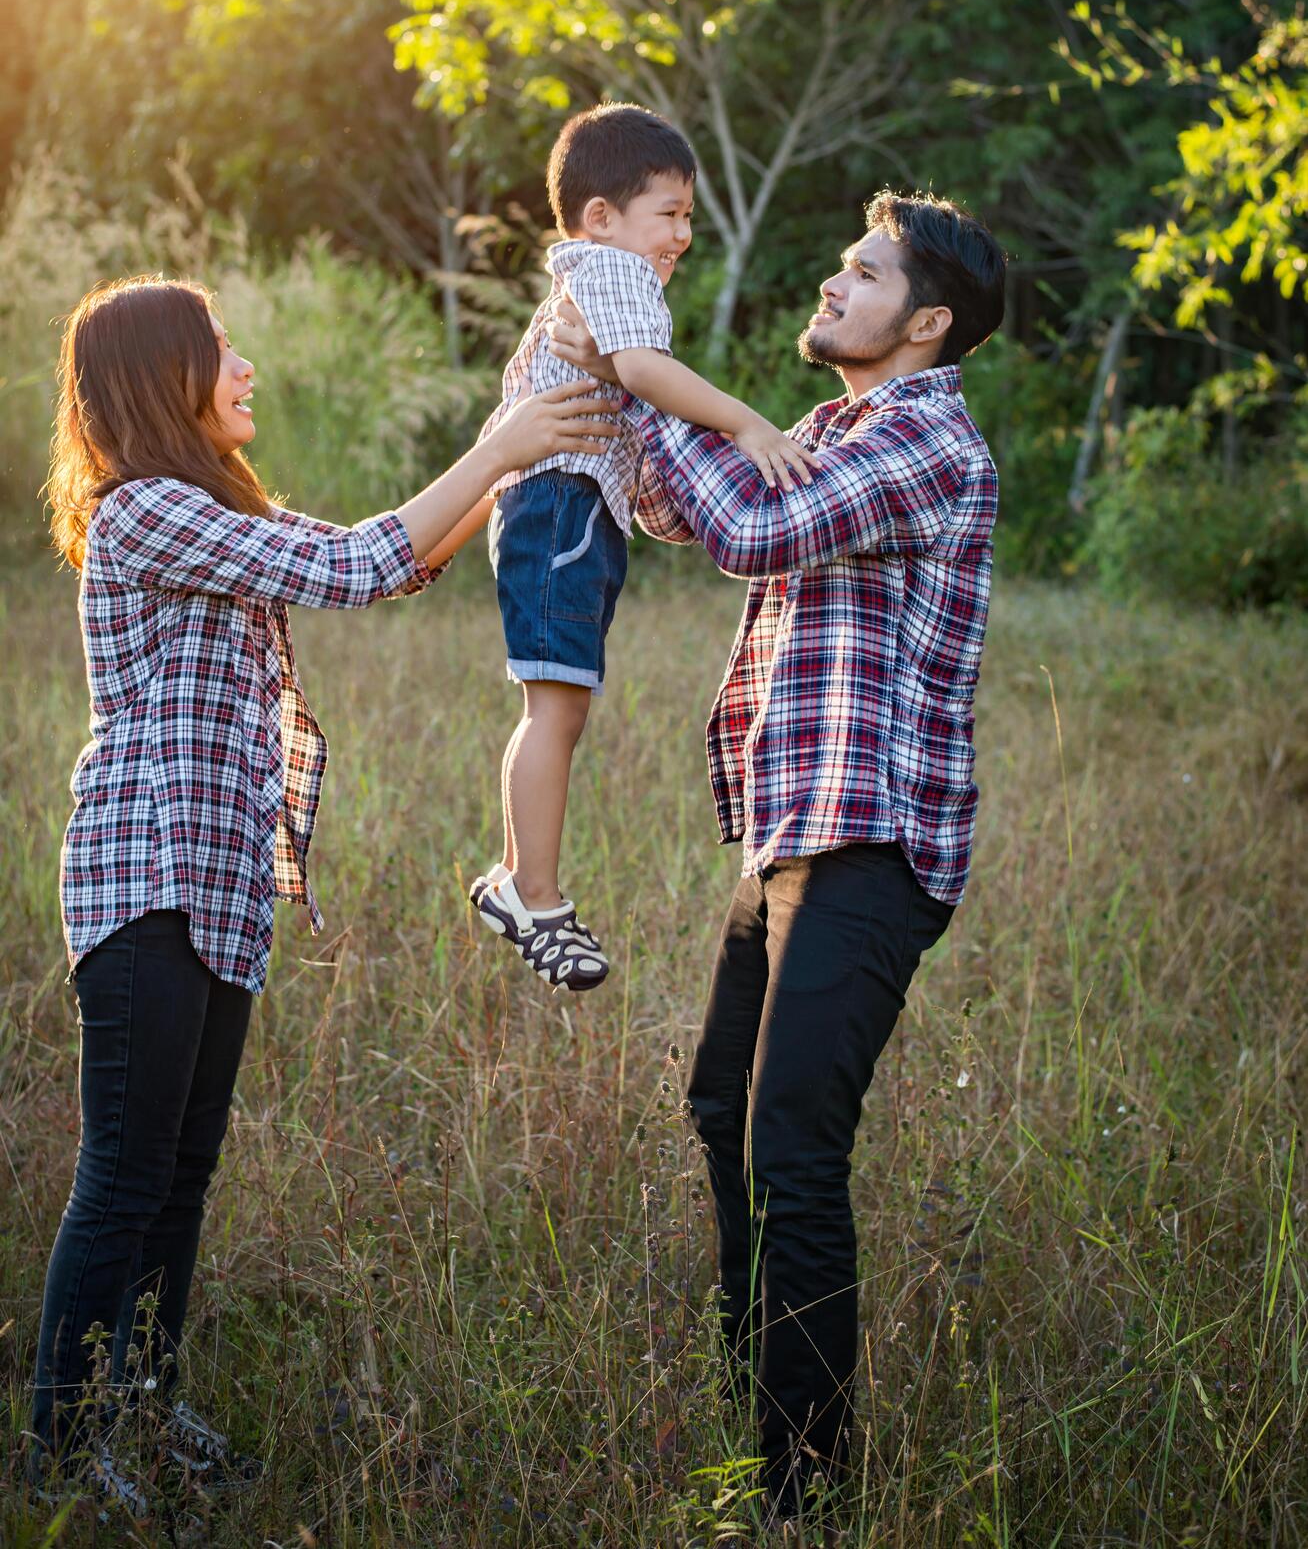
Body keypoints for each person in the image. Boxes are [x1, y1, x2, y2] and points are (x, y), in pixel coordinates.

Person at [30, 274, 619, 1513]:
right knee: (126, 1174)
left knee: (182, 1171)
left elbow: (389, 568)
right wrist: (498, 443)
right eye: (221, 351)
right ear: (160, 381)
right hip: (147, 873)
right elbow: (356, 561)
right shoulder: (145, 512)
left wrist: (509, 475)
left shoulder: (200, 511)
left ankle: (143, 1404)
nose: (245, 368)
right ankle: (65, 1453)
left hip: (215, 882)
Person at [549, 190, 1005, 1523]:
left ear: (926, 322)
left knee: (794, 1147)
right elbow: (693, 509)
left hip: (871, 842)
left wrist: (631, 381)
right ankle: (765, 1432)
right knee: (722, 1116)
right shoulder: (834, 428)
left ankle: (808, 1486)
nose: (832, 284)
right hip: (791, 829)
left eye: (862, 274)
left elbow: (750, 527)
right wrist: (633, 403)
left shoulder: (929, 442)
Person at [466, 103, 814, 991]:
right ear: (601, 215)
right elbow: (647, 372)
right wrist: (746, 423)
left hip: (566, 508)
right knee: (555, 710)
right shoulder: (612, 273)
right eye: (672, 212)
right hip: (561, 506)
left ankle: (519, 881)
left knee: (557, 707)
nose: (684, 235)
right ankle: (532, 893)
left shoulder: (591, 274)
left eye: (688, 216)